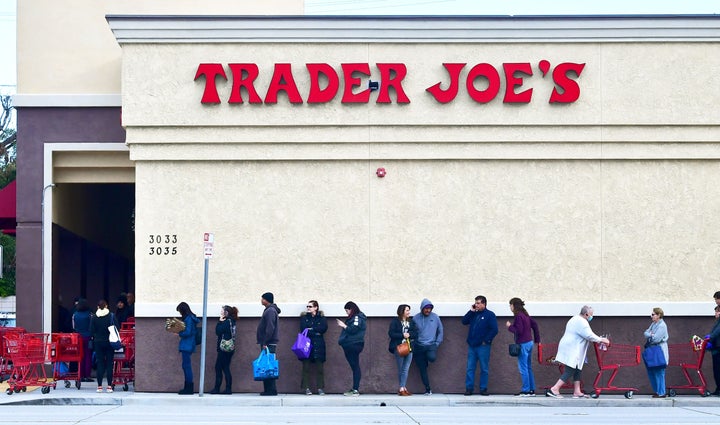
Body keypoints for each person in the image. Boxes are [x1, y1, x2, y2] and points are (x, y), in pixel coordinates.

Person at [547, 305, 610, 398]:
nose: (592, 316)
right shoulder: (581, 322)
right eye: (591, 315)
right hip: (572, 348)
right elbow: (588, 335)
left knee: (577, 368)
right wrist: (602, 339)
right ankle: (554, 389)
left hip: (571, 346)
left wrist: (599, 339)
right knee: (571, 368)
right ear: (586, 314)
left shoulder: (575, 319)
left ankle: (577, 391)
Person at [462, 295, 498, 396]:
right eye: (475, 303)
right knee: (470, 367)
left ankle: (483, 388)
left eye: (478, 303)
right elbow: (464, 321)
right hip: (472, 345)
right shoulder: (474, 314)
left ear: (484, 304)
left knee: (484, 368)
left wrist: (486, 341)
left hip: (483, 346)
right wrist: (471, 311)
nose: (476, 305)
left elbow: (494, 329)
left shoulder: (490, 315)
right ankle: (469, 388)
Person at [505, 297, 540, 397]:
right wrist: (537, 340)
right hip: (529, 343)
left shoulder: (518, 316)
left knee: (523, 368)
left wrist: (509, 326)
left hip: (523, 344)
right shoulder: (525, 315)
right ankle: (531, 389)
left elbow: (518, 330)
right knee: (528, 367)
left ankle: (525, 390)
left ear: (514, 305)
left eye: (510, 305)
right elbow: (535, 325)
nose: (510, 307)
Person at [412, 298, 443, 395]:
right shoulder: (416, 318)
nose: (428, 310)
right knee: (422, 368)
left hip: (431, 345)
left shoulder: (435, 317)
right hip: (419, 346)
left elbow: (440, 331)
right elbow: (412, 331)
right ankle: (427, 388)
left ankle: (427, 358)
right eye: (426, 308)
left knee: (432, 358)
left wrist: (437, 343)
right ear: (422, 308)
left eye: (430, 308)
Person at [337, 301, 366, 396]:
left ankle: (355, 389)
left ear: (351, 309)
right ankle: (354, 388)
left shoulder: (357, 317)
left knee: (355, 366)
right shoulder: (355, 317)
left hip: (354, 344)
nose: (346, 313)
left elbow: (353, 329)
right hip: (350, 344)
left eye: (347, 310)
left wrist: (343, 325)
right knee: (354, 367)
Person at [388, 304, 418, 396]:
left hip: (409, 347)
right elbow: (391, 333)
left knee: (406, 368)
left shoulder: (411, 321)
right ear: (402, 311)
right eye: (407, 310)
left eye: (409, 310)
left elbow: (415, 332)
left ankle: (402, 387)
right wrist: (402, 335)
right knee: (401, 368)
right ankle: (402, 387)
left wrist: (409, 334)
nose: (409, 312)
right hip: (399, 347)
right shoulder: (395, 321)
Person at [300, 300, 328, 395]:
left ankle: (320, 388)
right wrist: (315, 331)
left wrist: (311, 329)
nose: (308, 308)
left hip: (318, 345)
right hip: (306, 344)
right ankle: (306, 388)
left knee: (319, 368)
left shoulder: (321, 318)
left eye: (310, 306)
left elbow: (323, 328)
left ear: (316, 307)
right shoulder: (304, 318)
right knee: (306, 367)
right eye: (307, 306)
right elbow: (303, 329)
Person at [89, 299, 117, 393]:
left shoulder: (94, 317)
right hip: (110, 342)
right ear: (106, 306)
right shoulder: (111, 316)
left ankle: (99, 386)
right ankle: (109, 386)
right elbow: (117, 327)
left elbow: (91, 331)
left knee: (100, 363)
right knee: (109, 364)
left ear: (98, 307)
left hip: (98, 342)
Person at [257, 292, 280, 396]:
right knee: (266, 365)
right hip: (268, 342)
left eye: (263, 299)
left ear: (267, 300)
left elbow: (270, 327)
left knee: (268, 365)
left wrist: (265, 341)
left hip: (269, 343)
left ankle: (271, 390)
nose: (261, 300)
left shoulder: (270, 311)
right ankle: (268, 389)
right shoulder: (270, 310)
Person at [210, 305, 238, 395]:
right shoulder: (232, 321)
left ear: (226, 313)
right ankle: (226, 388)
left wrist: (219, 322)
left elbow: (218, 331)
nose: (221, 312)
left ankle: (220, 388)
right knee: (225, 367)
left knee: (220, 367)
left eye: (222, 311)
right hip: (230, 348)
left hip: (224, 348)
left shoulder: (226, 322)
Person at [643, 307, 669, 398]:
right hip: (653, 350)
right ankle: (657, 391)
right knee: (653, 371)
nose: (651, 316)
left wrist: (650, 335)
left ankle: (662, 392)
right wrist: (651, 334)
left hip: (659, 350)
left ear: (659, 315)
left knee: (659, 371)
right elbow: (645, 333)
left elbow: (656, 339)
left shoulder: (662, 325)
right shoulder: (654, 324)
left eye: (653, 314)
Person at [176, 301, 200, 395]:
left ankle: (189, 388)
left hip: (187, 344)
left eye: (180, 312)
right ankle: (188, 387)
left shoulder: (188, 319)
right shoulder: (190, 318)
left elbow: (188, 332)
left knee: (186, 366)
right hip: (188, 344)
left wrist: (179, 333)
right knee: (185, 366)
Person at [72, 298, 94, 382]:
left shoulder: (75, 315)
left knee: (80, 356)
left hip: (78, 337)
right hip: (88, 337)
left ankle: (80, 375)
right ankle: (87, 375)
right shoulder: (90, 315)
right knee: (88, 356)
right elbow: (92, 326)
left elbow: (73, 327)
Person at [708, 305, 720, 396]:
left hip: (718, 348)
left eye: (717, 312)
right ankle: (718, 388)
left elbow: (716, 333)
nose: (715, 314)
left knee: (718, 369)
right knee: (716, 369)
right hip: (715, 347)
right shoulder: (717, 322)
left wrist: (710, 338)